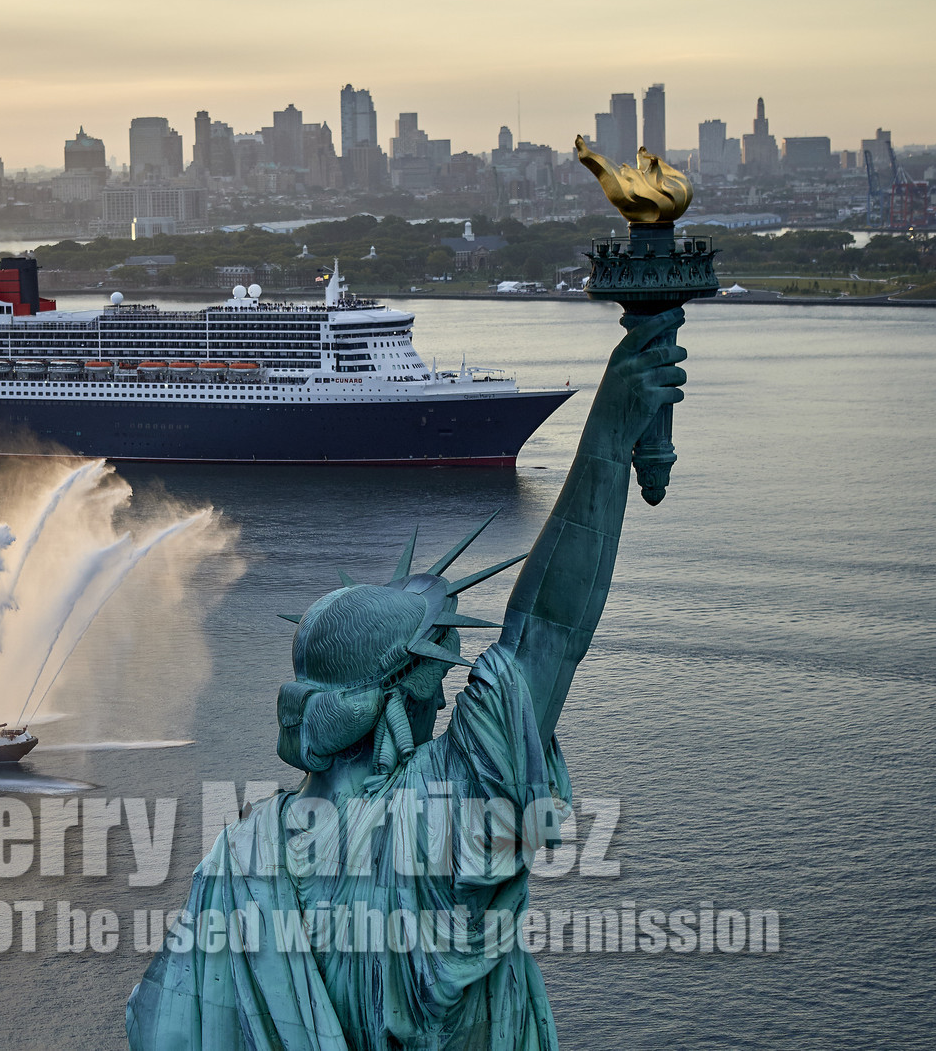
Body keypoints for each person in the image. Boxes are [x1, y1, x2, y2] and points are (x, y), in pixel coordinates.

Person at [127, 309, 689, 1051]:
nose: (448, 690)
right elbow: (548, 633)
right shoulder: (435, 818)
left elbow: (159, 1028)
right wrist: (609, 442)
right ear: (399, 698)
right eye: (437, 671)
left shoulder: (238, 860)